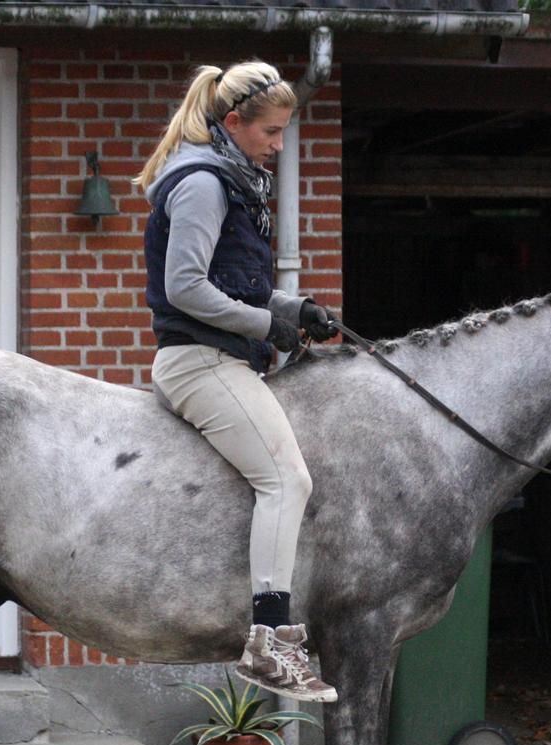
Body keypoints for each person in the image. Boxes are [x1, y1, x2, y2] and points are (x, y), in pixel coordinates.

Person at [135, 60, 339, 703]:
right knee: (287, 479)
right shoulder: (201, 182)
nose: (279, 145)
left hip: (223, 356)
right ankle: (271, 644)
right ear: (233, 123)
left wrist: (293, 310)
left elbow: (234, 279)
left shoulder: (230, 176)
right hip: (199, 362)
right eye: (272, 132)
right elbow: (185, 288)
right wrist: (265, 323)